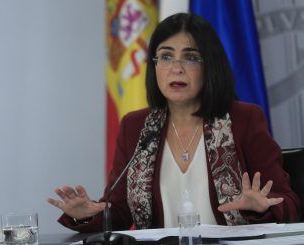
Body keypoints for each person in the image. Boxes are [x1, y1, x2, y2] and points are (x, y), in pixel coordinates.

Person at [47, 13, 300, 232]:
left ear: (209, 66)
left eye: (190, 57)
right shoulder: (135, 127)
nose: (176, 68)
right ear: (154, 66)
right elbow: (120, 213)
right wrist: (87, 215)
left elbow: (289, 203)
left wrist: (260, 207)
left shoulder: (244, 120)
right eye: (166, 57)